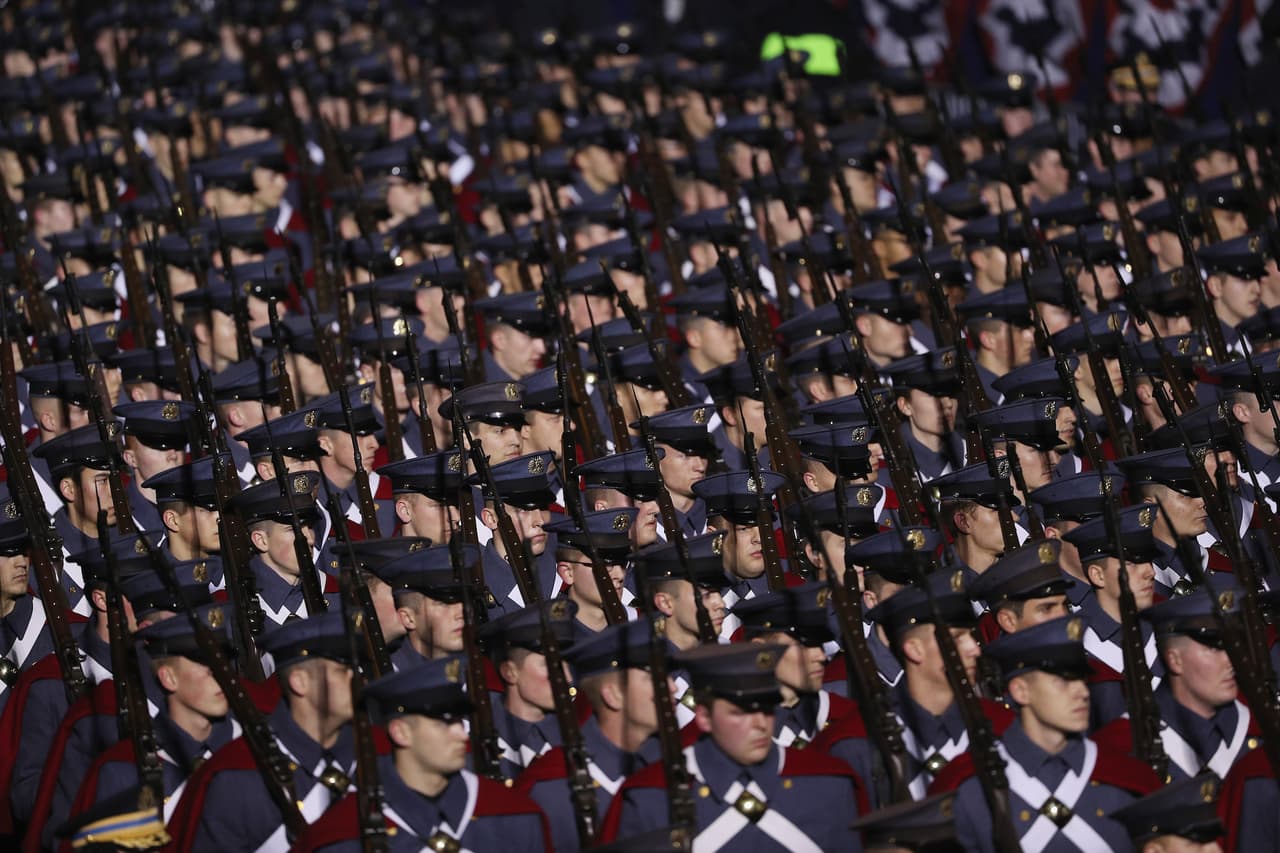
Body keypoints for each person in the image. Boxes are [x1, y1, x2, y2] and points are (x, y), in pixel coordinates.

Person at [599, 642, 868, 850]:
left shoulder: (829, 783)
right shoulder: (650, 796)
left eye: (766, 708)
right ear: (703, 717)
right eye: (741, 713)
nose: (761, 723)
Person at [929, 616, 1162, 853]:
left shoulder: (1128, 778)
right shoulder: (967, 789)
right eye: (1062, 681)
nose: (1082, 691)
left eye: (1081, 678)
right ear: (1021, 691)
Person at [291, 656, 552, 852]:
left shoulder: (517, 816)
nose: (462, 734)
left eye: (459, 722)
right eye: (443, 724)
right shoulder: (343, 837)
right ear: (400, 732)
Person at [167, 613, 360, 851]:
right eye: (342, 671)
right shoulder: (237, 779)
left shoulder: (374, 755)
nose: (355, 678)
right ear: (300, 682)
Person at [516, 619, 663, 853]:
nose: (672, 688)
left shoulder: (677, 765)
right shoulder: (552, 791)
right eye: (651, 678)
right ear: (613, 695)